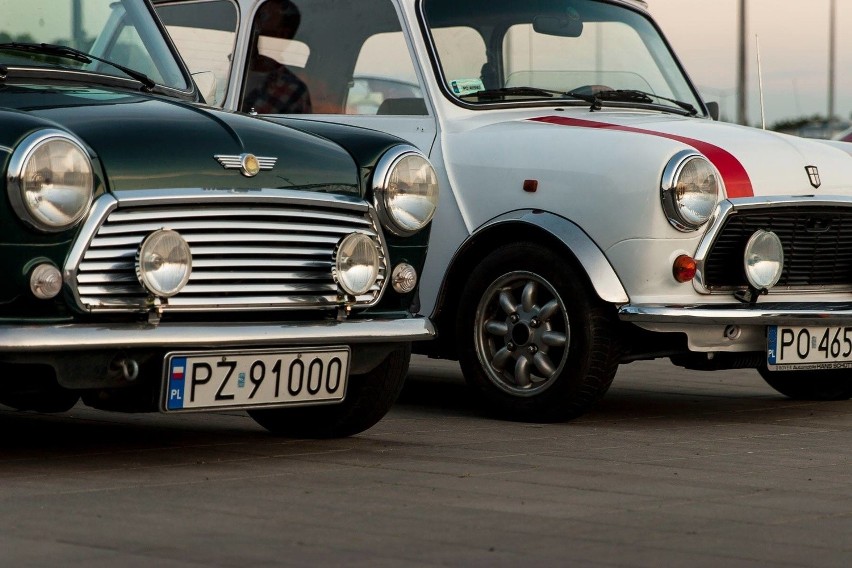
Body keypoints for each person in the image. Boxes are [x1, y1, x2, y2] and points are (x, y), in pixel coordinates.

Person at [240, 0, 312, 114]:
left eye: (264, 17)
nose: (255, 24)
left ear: (282, 34)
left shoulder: (294, 91)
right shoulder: (230, 69)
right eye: (257, 16)